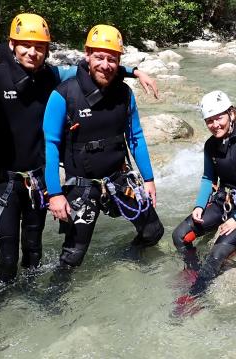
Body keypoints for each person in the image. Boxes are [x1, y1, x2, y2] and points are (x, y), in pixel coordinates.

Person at [0, 14, 158, 284]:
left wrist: (134, 71)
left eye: (39, 46)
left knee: (33, 251)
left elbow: (97, 69)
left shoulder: (52, 75)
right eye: (25, 45)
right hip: (3, 180)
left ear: (46, 50)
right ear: (12, 44)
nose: (32, 51)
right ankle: (5, 302)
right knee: (6, 256)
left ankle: (30, 300)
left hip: (36, 181)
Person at [43, 24, 164, 268]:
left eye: (112, 59)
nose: (105, 65)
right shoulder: (64, 94)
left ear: (119, 60)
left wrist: (148, 179)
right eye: (99, 57)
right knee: (73, 256)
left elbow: (136, 137)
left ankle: (125, 261)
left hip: (119, 179)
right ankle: (54, 301)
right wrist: (55, 194)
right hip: (82, 185)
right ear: (87, 54)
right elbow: (51, 146)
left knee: (153, 231)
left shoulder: (124, 93)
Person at [171, 90, 236, 312]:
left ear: (231, 114)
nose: (214, 124)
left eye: (219, 118)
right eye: (209, 120)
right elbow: (209, 178)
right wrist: (200, 205)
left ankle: (196, 295)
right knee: (180, 236)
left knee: (217, 252)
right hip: (223, 200)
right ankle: (194, 271)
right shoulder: (211, 145)